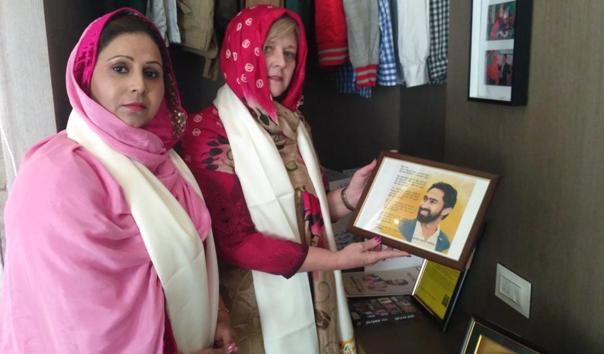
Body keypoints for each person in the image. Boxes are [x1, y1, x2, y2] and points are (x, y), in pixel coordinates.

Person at [0, 8, 235, 354]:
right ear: (86, 75)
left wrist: (217, 313)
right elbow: (76, 329)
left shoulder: (163, 161)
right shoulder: (56, 176)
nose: (139, 84)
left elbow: (192, 258)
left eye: (151, 73)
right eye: (120, 68)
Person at [180, 6, 407, 354]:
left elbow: (307, 215)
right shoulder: (206, 131)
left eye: (290, 53)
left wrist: (347, 197)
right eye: (267, 48)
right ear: (241, 51)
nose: (281, 62)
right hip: (256, 306)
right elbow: (236, 243)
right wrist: (336, 261)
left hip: (317, 292)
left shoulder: (293, 124)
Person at [398, 182, 458, 253]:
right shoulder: (402, 226)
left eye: (432, 201)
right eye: (425, 199)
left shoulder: (445, 243)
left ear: (446, 210)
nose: (423, 205)